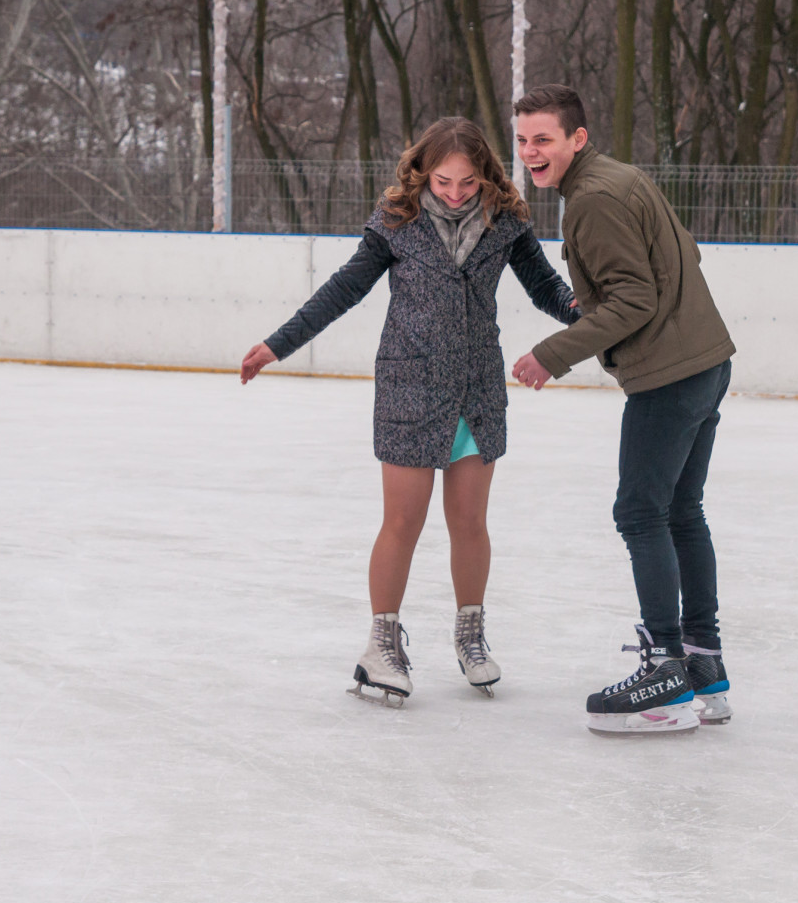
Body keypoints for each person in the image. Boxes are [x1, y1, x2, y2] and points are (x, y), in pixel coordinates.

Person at [241, 117, 580, 708]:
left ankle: (470, 635)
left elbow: (546, 288)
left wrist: (592, 314)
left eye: (468, 183)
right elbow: (343, 289)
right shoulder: (396, 224)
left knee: (469, 522)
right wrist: (278, 344)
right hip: (409, 387)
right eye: (444, 181)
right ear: (423, 172)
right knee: (403, 522)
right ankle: (381, 644)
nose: (455, 193)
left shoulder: (507, 223)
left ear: (485, 176)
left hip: (476, 389)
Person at [509, 84, 737, 736]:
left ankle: (664, 672)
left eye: (544, 138)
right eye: (524, 140)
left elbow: (634, 299)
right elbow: (680, 252)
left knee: (640, 512)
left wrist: (552, 353)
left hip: (668, 375)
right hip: (706, 360)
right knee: (679, 510)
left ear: (577, 138)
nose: (532, 151)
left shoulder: (591, 199)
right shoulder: (621, 178)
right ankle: (703, 665)